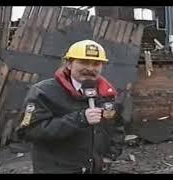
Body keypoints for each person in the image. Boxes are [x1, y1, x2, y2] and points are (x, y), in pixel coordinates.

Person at [16, 40, 125, 174]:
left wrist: (110, 156)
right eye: (83, 62)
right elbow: (29, 131)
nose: (90, 68)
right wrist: (79, 119)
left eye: (96, 64)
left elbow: (116, 126)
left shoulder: (107, 93)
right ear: (68, 63)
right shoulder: (44, 92)